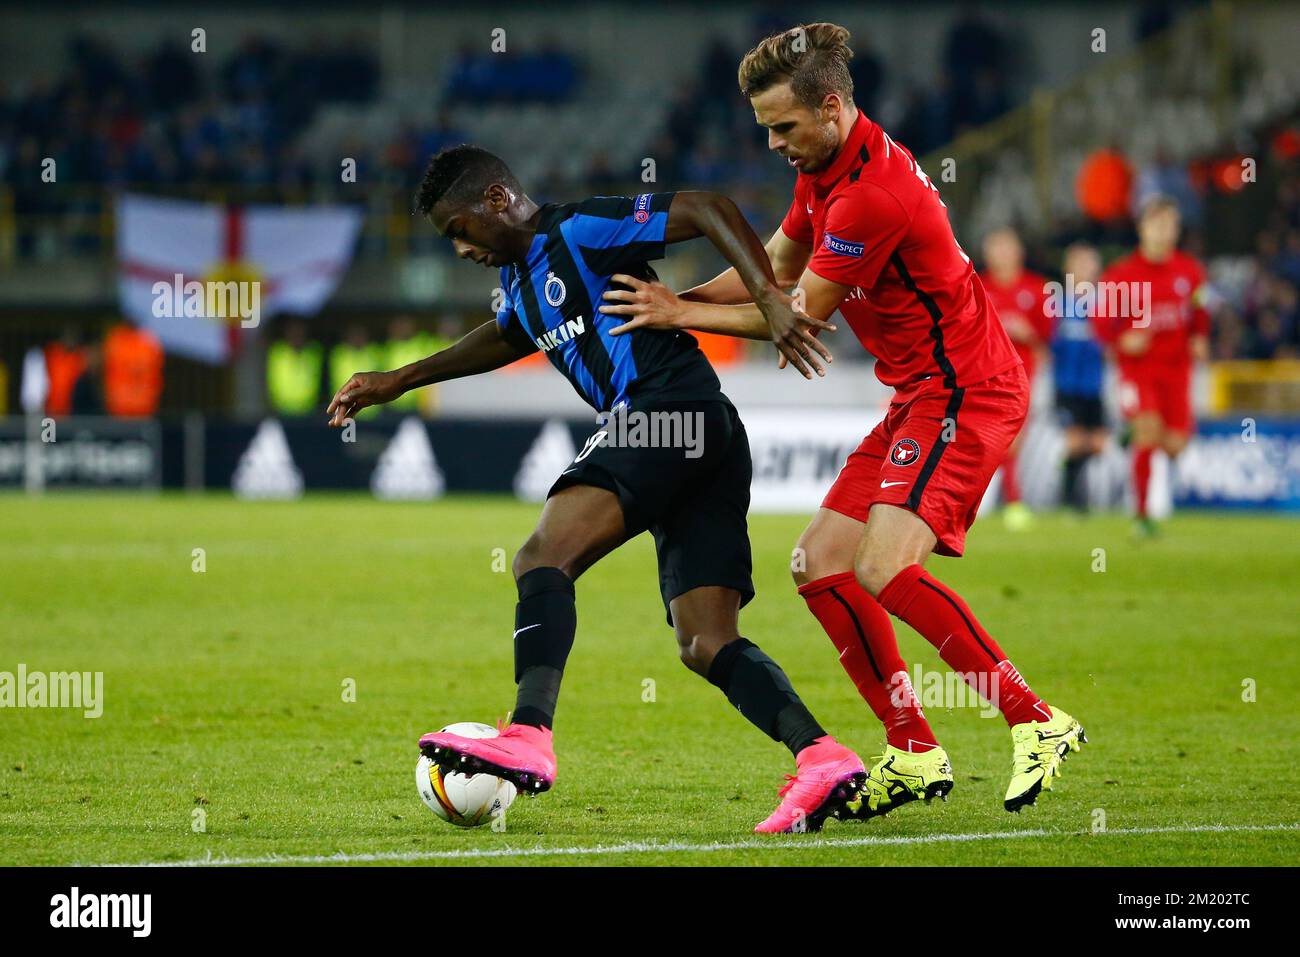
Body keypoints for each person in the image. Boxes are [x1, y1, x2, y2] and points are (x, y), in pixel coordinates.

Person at [599, 23, 1086, 816]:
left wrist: (672, 310)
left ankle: (1034, 718)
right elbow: (775, 268)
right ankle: (914, 747)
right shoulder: (827, 168)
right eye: (766, 130)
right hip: (918, 395)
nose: (775, 144)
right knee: (819, 562)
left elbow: (792, 316)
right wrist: (678, 301)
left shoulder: (870, 195)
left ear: (831, 107)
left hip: (967, 391)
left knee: (884, 567)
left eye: (784, 127)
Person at [326, 145, 864, 833]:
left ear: (496, 201)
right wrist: (396, 380)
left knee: (541, 556)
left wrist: (770, 301)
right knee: (704, 639)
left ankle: (529, 732)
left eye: (458, 230)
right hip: (709, 435)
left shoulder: (576, 230)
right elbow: (503, 337)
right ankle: (820, 754)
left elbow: (707, 208)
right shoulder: (524, 283)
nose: (460, 249)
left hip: (669, 411)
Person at [1093, 195, 1210, 536]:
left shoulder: (1190, 272)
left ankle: (1127, 439)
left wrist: (1200, 337)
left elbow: (1200, 313)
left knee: (1174, 444)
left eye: (1169, 224)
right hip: (1138, 372)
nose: (1163, 231)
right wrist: (1122, 341)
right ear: (1142, 228)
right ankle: (1142, 517)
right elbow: (1101, 324)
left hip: (1177, 371)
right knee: (1148, 433)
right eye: (1156, 224)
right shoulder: (1121, 275)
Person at [979, 227, 1053, 528]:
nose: (1002, 254)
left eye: (1007, 247)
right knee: (991, 441)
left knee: (1011, 440)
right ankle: (1010, 502)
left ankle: (1010, 501)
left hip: (1025, 376)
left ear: (1019, 252)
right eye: (996, 248)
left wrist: (1028, 333)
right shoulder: (976, 286)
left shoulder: (1038, 289)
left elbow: (1051, 343)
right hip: (983, 375)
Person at [1051, 242, 1109, 512]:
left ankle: (1077, 495)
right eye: (1079, 263)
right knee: (1075, 442)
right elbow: (1046, 343)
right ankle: (1071, 501)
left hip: (1095, 387)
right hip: (1066, 386)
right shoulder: (1056, 303)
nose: (1085, 269)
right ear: (1067, 268)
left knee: (1096, 444)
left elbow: (1113, 343)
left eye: (1089, 263)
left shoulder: (1107, 304)